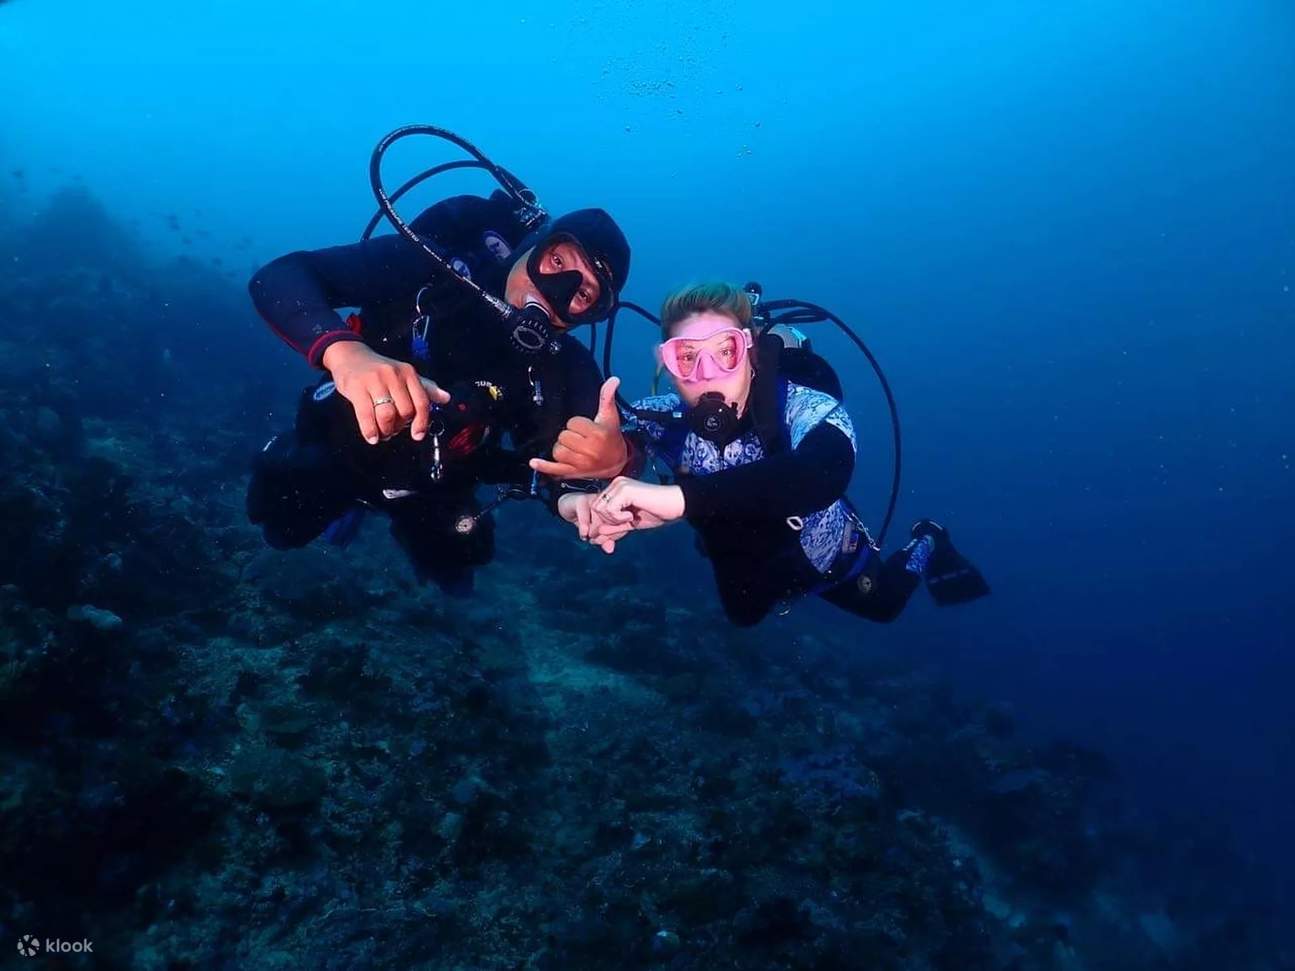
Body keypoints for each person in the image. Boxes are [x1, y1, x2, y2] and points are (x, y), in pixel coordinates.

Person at [246, 189, 632, 594]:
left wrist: (605, 468)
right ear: (533, 245)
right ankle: (312, 478)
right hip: (339, 444)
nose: (558, 291)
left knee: (461, 569)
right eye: (557, 262)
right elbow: (281, 277)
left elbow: (584, 460)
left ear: (590, 315)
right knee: (276, 524)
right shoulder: (430, 267)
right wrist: (345, 353)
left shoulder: (563, 366)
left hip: (437, 486)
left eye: (584, 294)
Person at [558, 282, 990, 627]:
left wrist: (679, 500)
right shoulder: (661, 418)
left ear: (750, 350)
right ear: (665, 366)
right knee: (742, 618)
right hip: (741, 563)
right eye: (686, 356)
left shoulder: (807, 407)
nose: (706, 373)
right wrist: (579, 493)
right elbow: (566, 467)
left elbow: (822, 472)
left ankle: (928, 537)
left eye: (725, 351)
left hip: (830, 562)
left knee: (885, 606)